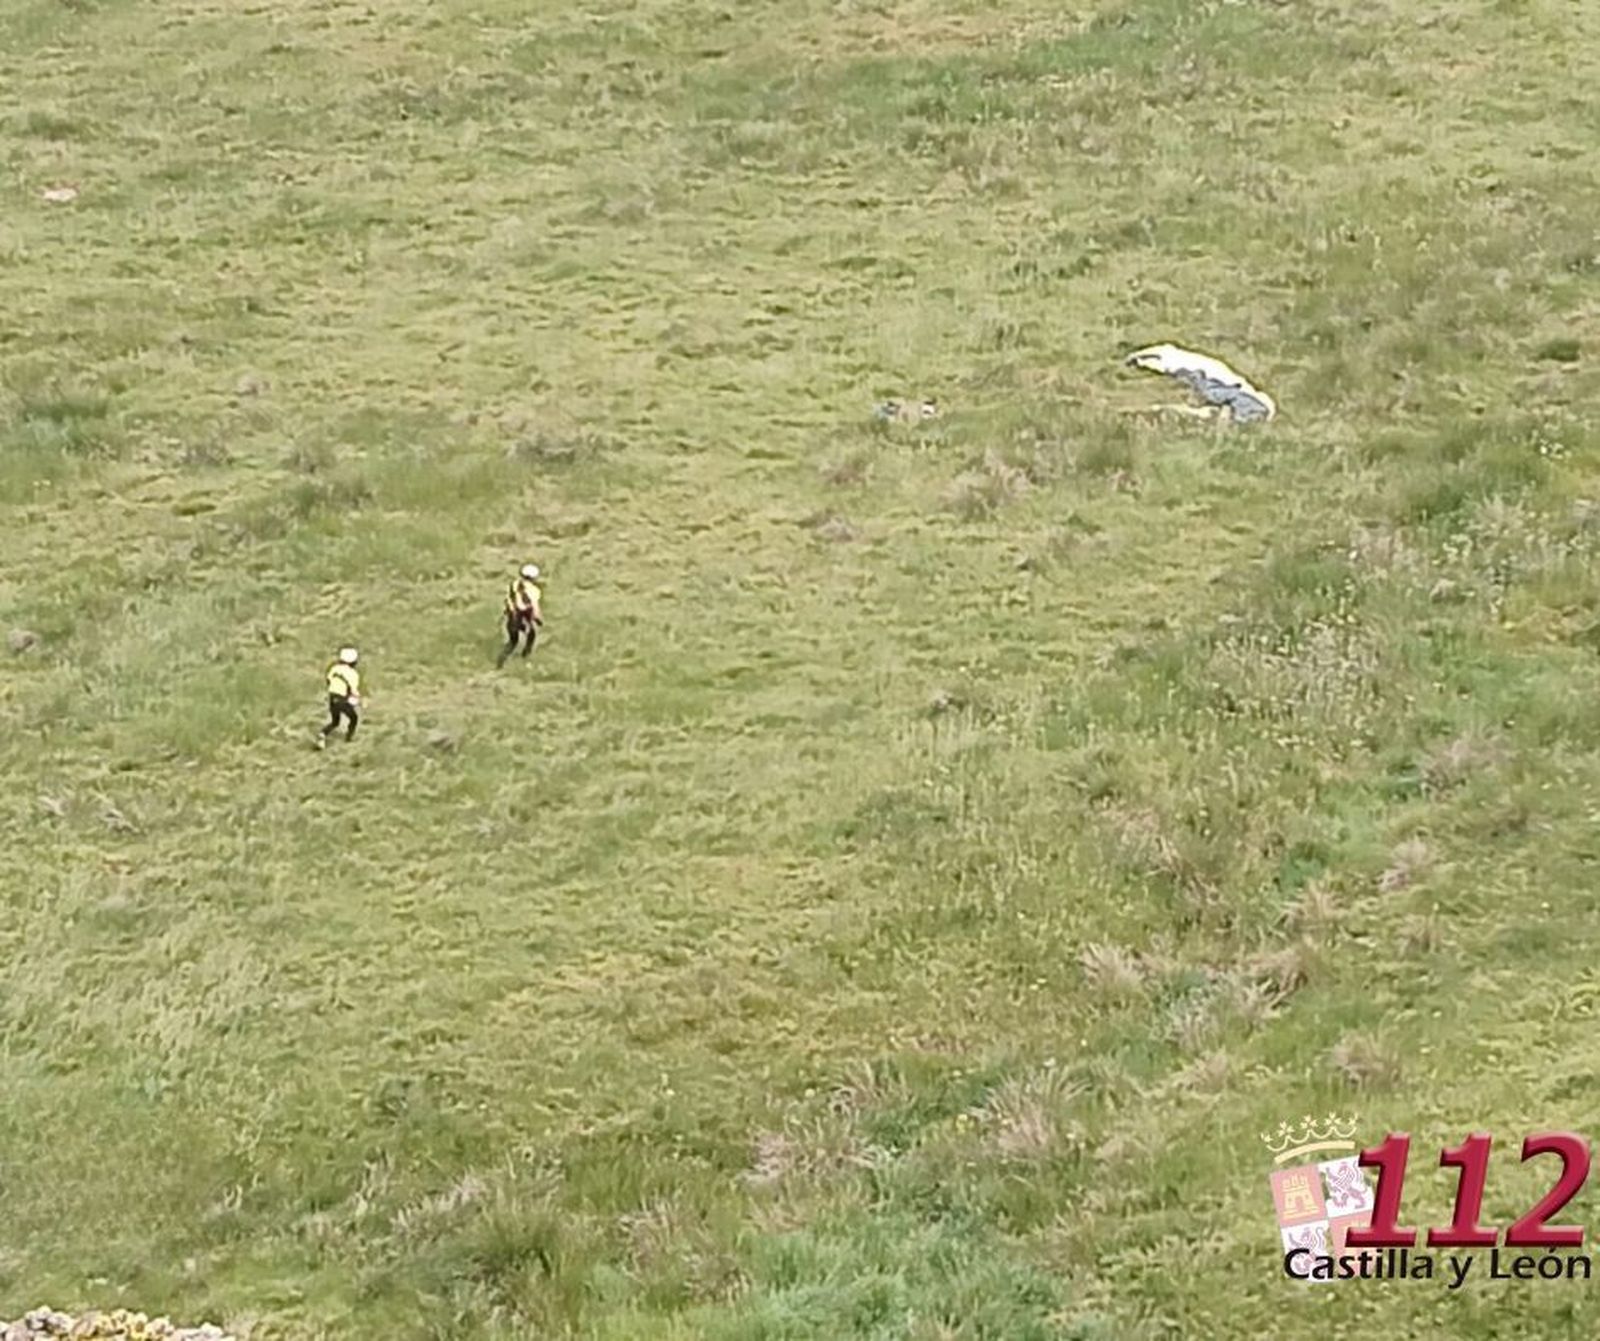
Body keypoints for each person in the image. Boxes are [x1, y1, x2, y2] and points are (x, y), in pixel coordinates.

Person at [497, 563, 544, 666]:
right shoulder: (533, 591)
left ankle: (500, 663)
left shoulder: (514, 585)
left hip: (512, 618)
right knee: (531, 635)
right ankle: (525, 658)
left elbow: (508, 600)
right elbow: (535, 607)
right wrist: (538, 619)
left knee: (513, 641)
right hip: (523, 618)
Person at [318, 647, 361, 748]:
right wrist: (357, 698)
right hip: (342, 699)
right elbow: (353, 691)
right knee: (354, 718)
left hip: (332, 697)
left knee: (335, 721)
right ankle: (349, 737)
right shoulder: (353, 674)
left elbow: (329, 680)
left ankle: (323, 734)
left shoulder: (335, 668)